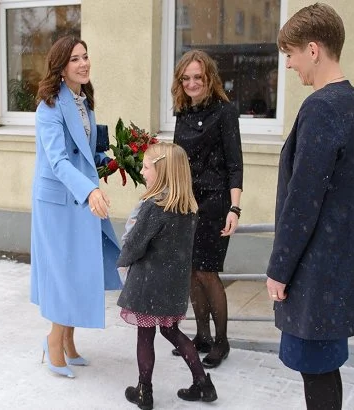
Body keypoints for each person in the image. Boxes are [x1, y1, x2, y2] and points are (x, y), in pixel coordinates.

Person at [265, 3, 354, 409]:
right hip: (336, 259)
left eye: (291, 55)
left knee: (316, 369)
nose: (291, 66)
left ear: (313, 50)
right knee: (322, 367)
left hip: (317, 266)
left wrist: (279, 269)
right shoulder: (352, 101)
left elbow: (303, 199)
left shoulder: (323, 106)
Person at [30, 35, 122, 379]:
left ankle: (68, 342)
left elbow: (84, 152)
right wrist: (90, 191)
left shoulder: (84, 101)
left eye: (85, 56)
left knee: (79, 266)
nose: (84, 63)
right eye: (75, 59)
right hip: (58, 202)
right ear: (61, 67)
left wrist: (113, 163)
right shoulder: (49, 107)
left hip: (80, 196)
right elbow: (57, 160)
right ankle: (53, 342)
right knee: (63, 270)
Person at [117, 142, 218, 410]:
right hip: (173, 285)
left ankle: (144, 391)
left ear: (162, 172)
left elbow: (135, 244)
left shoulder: (155, 207)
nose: (143, 171)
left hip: (149, 284)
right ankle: (202, 383)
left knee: (145, 335)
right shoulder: (188, 207)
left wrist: (122, 262)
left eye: (147, 167)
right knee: (172, 331)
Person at [172, 49, 243, 369]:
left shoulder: (225, 112)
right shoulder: (182, 113)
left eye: (197, 77)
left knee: (207, 271)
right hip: (186, 204)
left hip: (215, 204)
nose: (191, 83)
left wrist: (235, 208)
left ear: (208, 77)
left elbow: (235, 165)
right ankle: (201, 335)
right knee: (190, 272)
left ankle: (222, 340)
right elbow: (177, 163)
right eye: (185, 78)